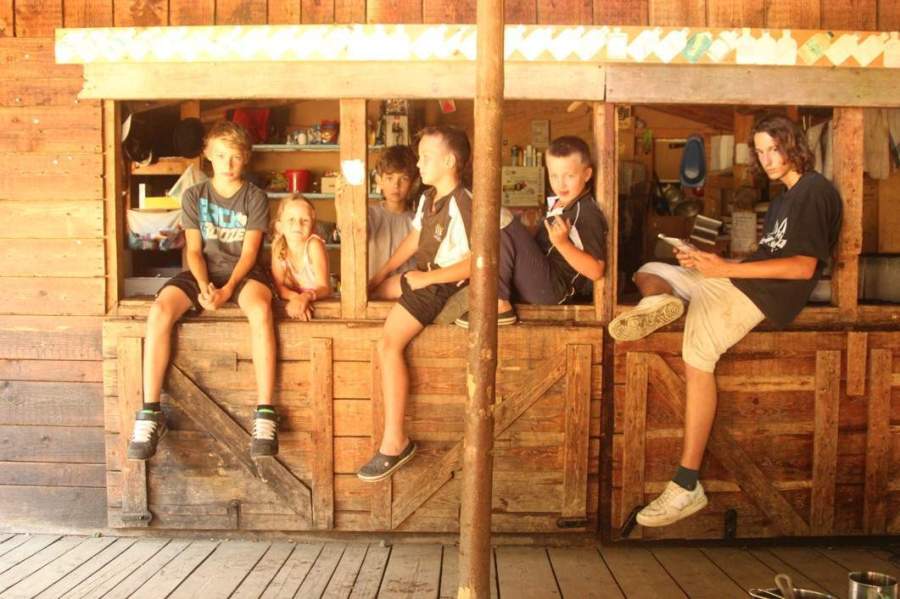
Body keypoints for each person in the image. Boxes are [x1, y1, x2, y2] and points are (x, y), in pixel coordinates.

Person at [608, 113, 843, 527]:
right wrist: (710, 261)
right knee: (650, 269)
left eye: (775, 149)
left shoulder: (814, 191)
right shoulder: (783, 199)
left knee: (697, 357)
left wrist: (724, 269)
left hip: (761, 297)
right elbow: (769, 256)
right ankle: (659, 303)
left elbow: (803, 267)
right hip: (737, 280)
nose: (768, 159)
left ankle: (686, 484)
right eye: (761, 152)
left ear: (794, 145)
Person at [127, 120, 280, 460]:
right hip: (203, 271)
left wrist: (227, 290)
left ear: (246, 158)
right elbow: (194, 250)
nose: (228, 163)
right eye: (221, 155)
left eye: (235, 156)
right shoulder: (194, 195)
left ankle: (265, 412)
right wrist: (203, 286)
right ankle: (150, 411)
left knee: (260, 309)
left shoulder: (255, 197)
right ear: (208, 154)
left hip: (243, 271)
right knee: (160, 310)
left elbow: (250, 253)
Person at [357, 126, 474, 482]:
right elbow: (413, 239)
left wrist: (427, 280)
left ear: (449, 162)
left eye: (425, 157)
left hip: (442, 283)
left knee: (388, 344)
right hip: (423, 277)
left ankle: (395, 441)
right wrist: (379, 275)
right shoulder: (429, 198)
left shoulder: (464, 202)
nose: (418, 164)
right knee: (369, 295)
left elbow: (478, 262)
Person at [454, 135, 607, 328]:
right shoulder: (560, 202)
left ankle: (499, 305)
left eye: (570, 176)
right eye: (554, 176)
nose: (561, 184)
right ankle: (484, 289)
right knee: (503, 226)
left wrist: (562, 244)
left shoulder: (586, 213)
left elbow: (596, 271)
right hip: (539, 279)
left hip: (553, 290)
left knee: (502, 221)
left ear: (587, 174)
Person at [367, 145, 419, 299]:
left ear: (413, 183)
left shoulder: (418, 221)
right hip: (371, 295)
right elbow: (348, 233)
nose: (396, 185)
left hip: (407, 300)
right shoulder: (369, 215)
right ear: (379, 180)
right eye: (390, 178)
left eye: (403, 178)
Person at [270, 195, 331, 321]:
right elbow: (279, 287)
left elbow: (325, 288)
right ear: (279, 226)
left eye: (305, 220)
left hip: (319, 304)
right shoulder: (278, 248)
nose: (298, 225)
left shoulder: (314, 245)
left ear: (313, 227)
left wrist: (305, 297)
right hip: (296, 304)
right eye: (291, 220)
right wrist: (296, 299)